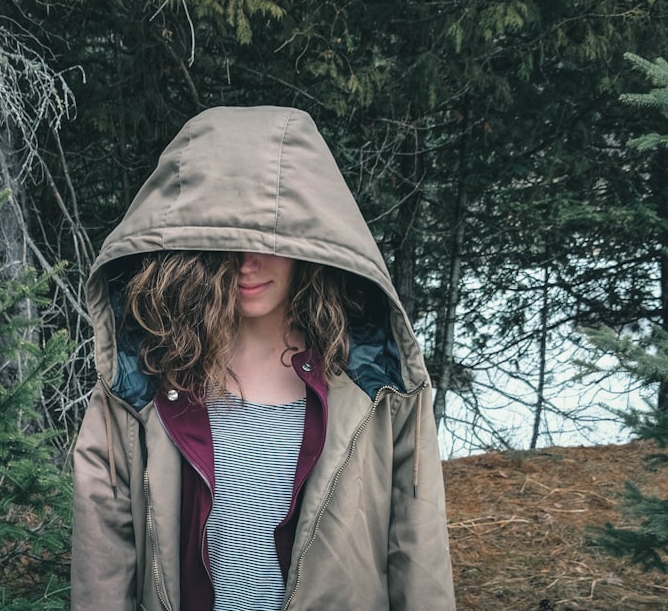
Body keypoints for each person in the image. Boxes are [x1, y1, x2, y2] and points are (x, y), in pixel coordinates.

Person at [71, 105, 456, 611]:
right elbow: (105, 556)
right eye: (225, 240)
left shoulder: (377, 388)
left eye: (269, 240)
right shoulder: (138, 386)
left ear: (311, 242)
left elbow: (417, 549)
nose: (246, 263)